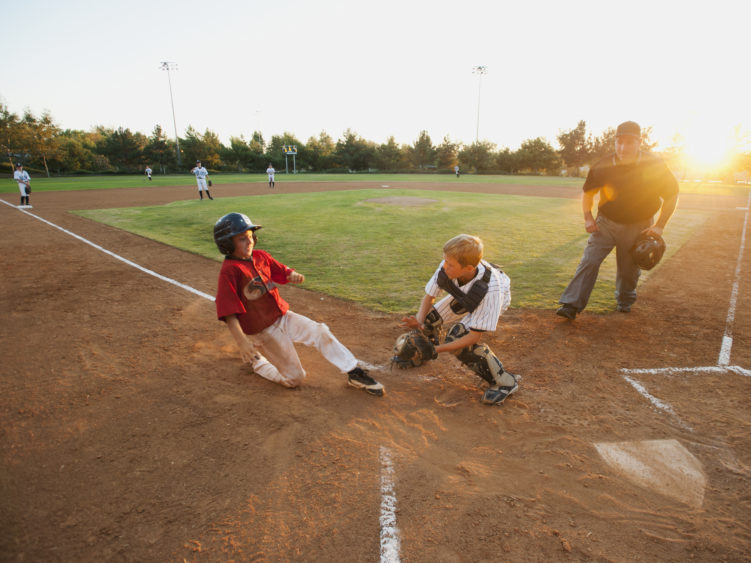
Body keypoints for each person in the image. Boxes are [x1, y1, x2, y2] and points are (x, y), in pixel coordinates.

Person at [213, 212, 384, 396]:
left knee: (320, 331)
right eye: (242, 239)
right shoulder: (230, 271)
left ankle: (354, 372)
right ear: (228, 244)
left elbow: (281, 270)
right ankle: (258, 362)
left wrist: (291, 274)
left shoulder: (260, 256)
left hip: (283, 316)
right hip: (263, 331)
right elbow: (229, 311)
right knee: (295, 379)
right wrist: (242, 342)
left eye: (250, 237)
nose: (249, 242)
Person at [556, 121, 679, 320]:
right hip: (606, 223)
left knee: (628, 270)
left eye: (629, 142)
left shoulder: (654, 164)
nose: (623, 148)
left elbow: (672, 194)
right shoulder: (603, 165)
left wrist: (659, 226)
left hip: (639, 225)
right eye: (619, 142)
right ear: (615, 142)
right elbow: (588, 194)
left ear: (639, 142)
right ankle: (571, 305)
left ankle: (624, 301)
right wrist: (588, 218)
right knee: (589, 261)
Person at [399, 234, 520, 405]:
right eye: (445, 261)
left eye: (450, 265)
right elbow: (429, 297)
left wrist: (437, 349)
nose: (444, 266)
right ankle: (423, 354)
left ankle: (505, 382)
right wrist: (419, 322)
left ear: (468, 268)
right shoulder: (450, 263)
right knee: (428, 318)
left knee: (458, 338)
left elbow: (473, 337)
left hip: (489, 298)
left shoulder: (491, 292)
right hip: (467, 294)